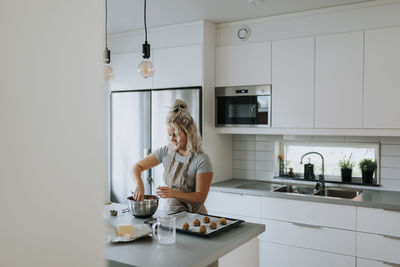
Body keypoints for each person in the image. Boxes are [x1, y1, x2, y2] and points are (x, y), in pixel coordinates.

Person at [132, 99, 213, 213]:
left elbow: (200, 198)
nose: (171, 139)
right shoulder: (166, 152)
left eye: (175, 135)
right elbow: (137, 167)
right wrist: (139, 184)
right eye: (169, 135)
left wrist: (174, 193)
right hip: (170, 216)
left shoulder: (202, 160)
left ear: (188, 133)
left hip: (195, 219)